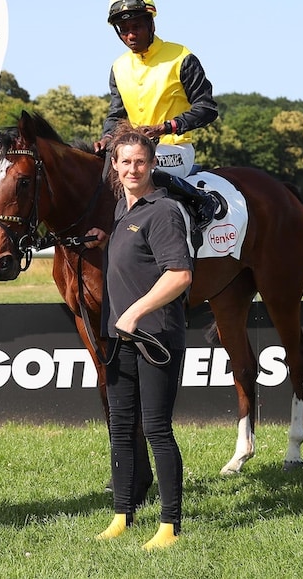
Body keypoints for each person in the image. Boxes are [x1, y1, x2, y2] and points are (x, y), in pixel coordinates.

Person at [86, 128, 194, 551]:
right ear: (114, 165)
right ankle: (122, 515)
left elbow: (179, 275)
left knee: (155, 429)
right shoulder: (120, 208)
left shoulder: (164, 210)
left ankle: (170, 526)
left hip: (156, 337)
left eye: (141, 162)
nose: (133, 169)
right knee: (120, 427)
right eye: (125, 161)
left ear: (152, 165)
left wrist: (133, 312)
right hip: (122, 338)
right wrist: (105, 239)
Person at [95, 0, 218, 157]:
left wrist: (164, 128)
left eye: (136, 26)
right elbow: (117, 116)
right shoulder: (118, 67)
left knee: (139, 168)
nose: (130, 35)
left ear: (151, 25)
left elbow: (207, 108)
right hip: (133, 150)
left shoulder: (182, 57)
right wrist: (107, 137)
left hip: (176, 150)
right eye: (124, 29)